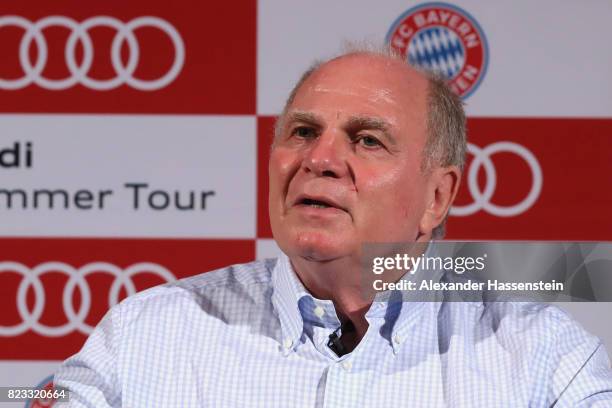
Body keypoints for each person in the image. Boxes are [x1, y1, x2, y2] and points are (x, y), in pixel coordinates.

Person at [54, 45, 612, 407]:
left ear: (436, 197)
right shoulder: (148, 334)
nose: (318, 159)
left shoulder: (543, 359)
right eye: (301, 132)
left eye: (367, 140)